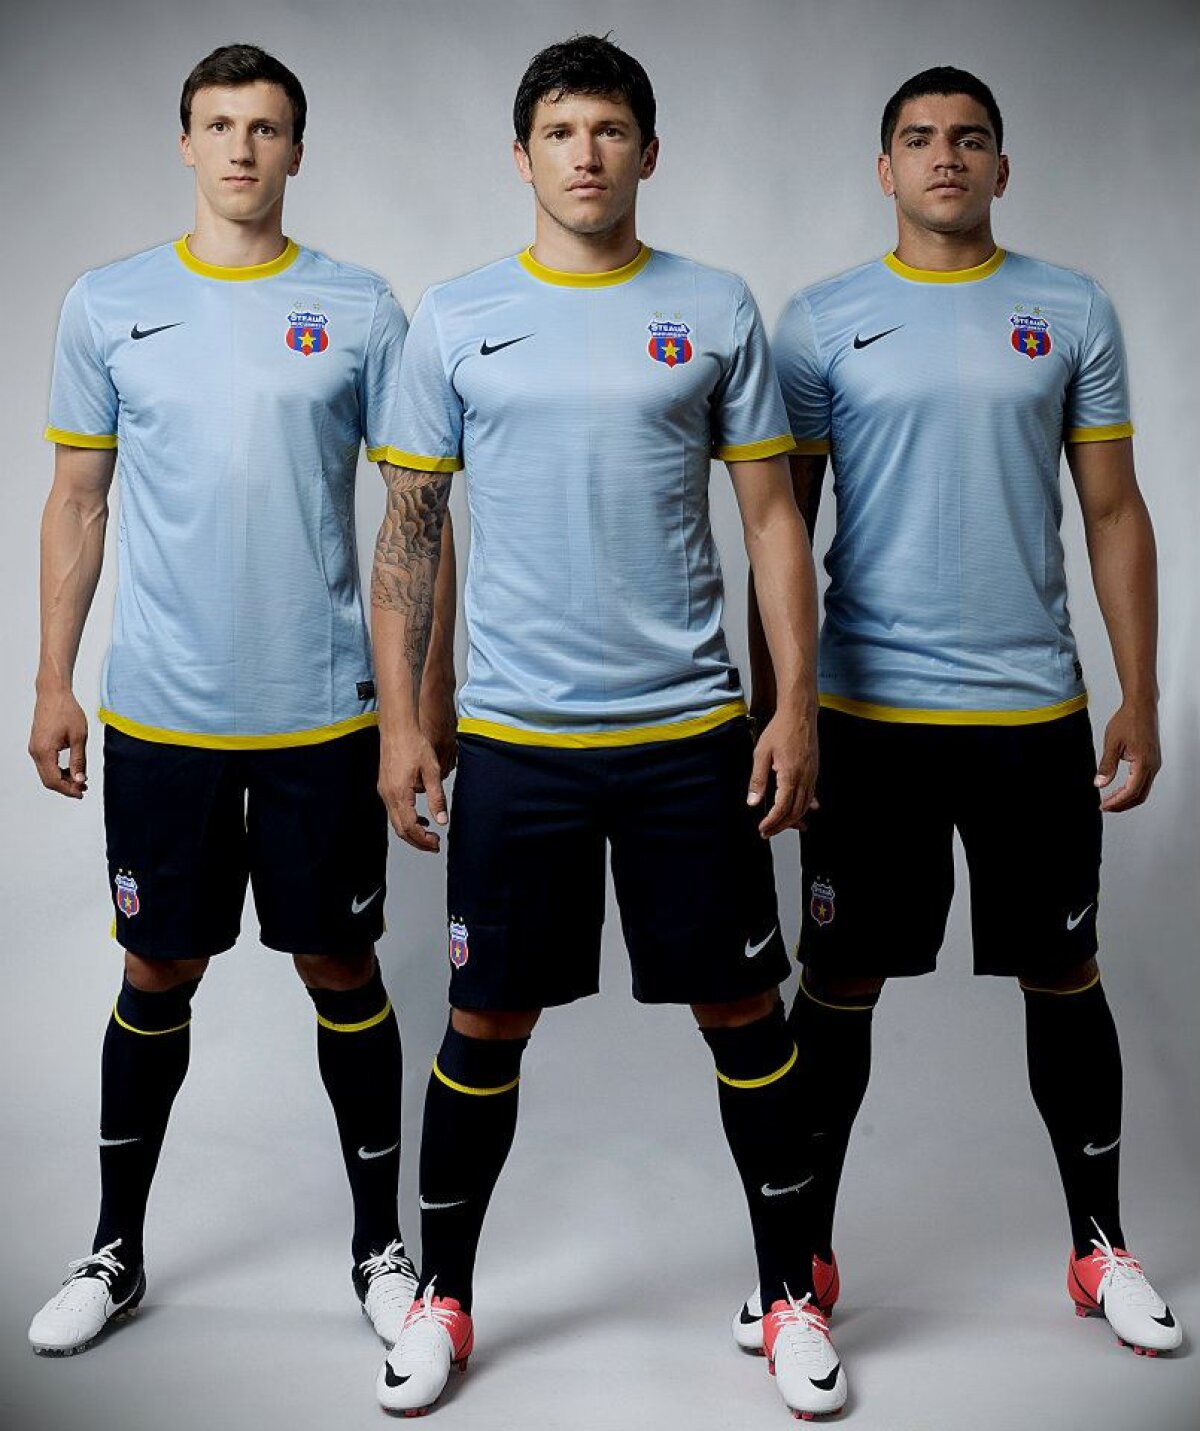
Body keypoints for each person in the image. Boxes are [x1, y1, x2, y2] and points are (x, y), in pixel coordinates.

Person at [368, 33, 845, 1421]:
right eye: (561, 133)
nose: (586, 155)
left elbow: (774, 521)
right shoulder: (455, 317)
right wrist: (405, 724)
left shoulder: (714, 306)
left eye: (611, 130)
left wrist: (792, 705)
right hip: (518, 743)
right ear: (521, 157)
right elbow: (411, 536)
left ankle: (790, 1295)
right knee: (483, 1019)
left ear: (648, 151)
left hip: (687, 736)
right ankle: (444, 1300)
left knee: (743, 1011)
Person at [737, 64, 1182, 1371]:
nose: (947, 157)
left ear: (1002, 166)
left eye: (971, 139)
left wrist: (1141, 691)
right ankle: (802, 1265)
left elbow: (1113, 508)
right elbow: (779, 528)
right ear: (886, 169)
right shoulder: (822, 322)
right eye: (922, 140)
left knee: (1065, 972)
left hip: (1030, 714)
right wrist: (781, 713)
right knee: (841, 983)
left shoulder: (1070, 310)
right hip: (866, 719)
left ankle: (1100, 1244)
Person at [27, 43, 454, 1358]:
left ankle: (379, 1248)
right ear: (186, 142)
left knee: (342, 966)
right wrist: (51, 681)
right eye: (219, 125)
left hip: (323, 716)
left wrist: (416, 713)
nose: (241, 148)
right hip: (163, 715)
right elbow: (78, 502)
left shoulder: (360, 308)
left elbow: (419, 515)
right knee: (158, 966)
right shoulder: (109, 304)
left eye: (265, 127)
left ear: (297, 151)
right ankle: (115, 1250)